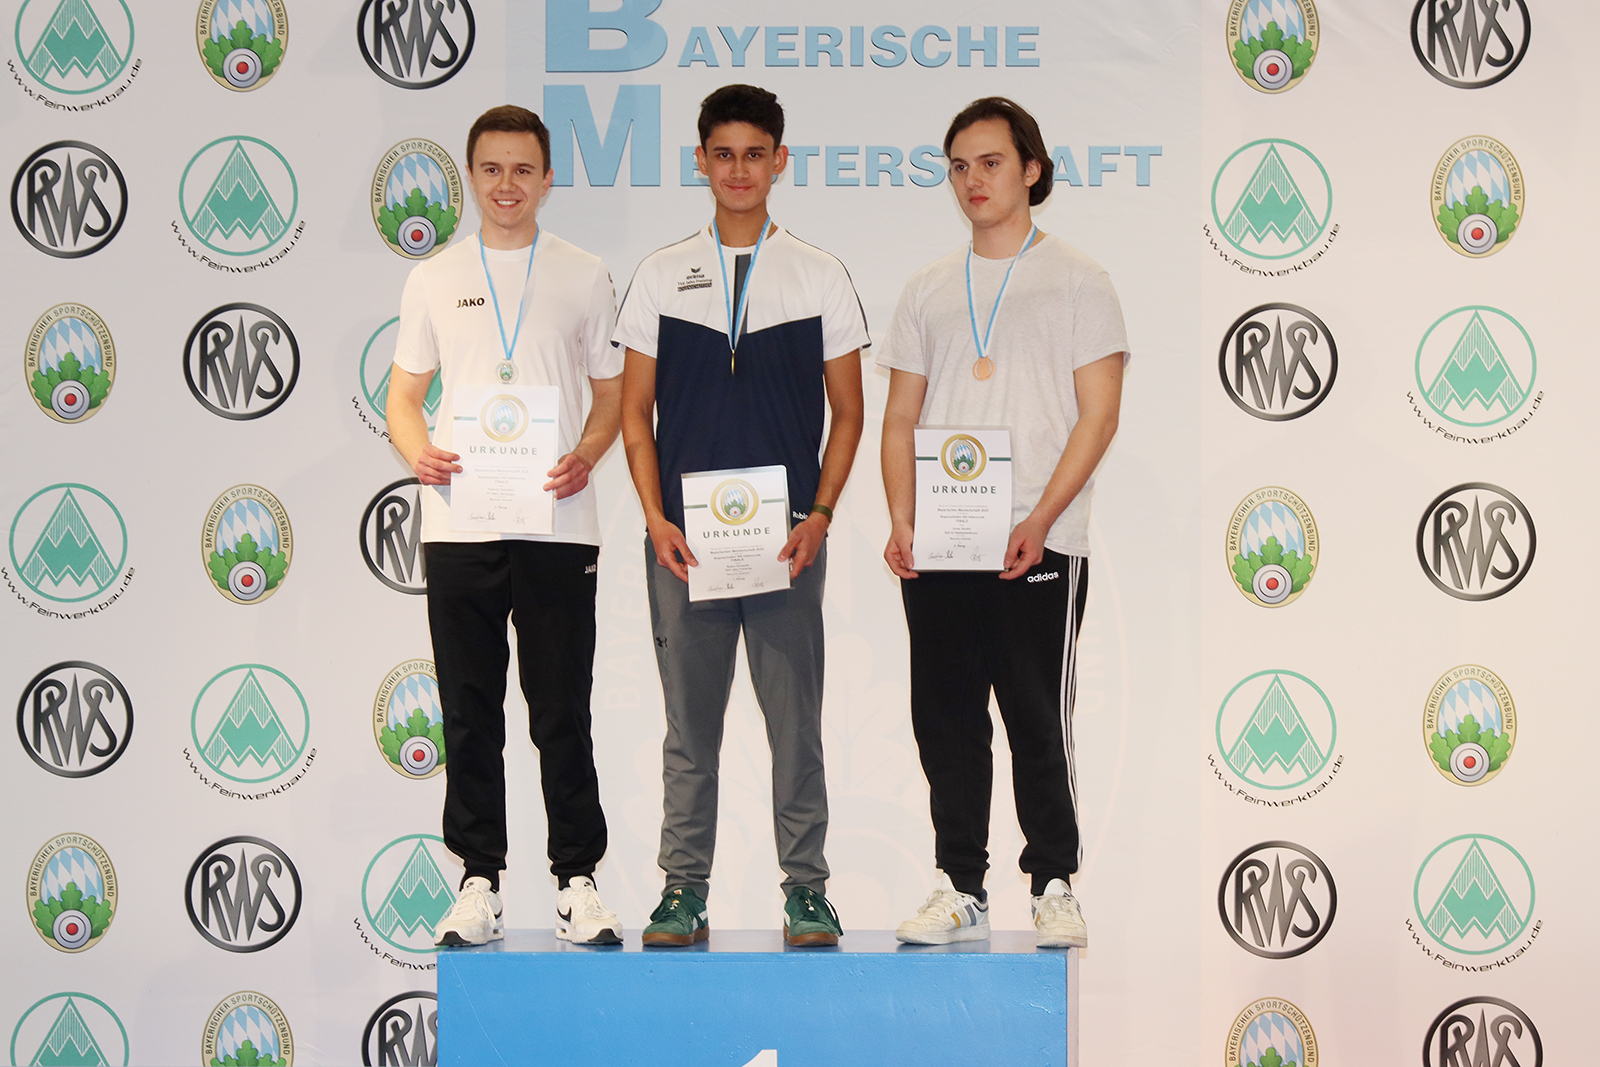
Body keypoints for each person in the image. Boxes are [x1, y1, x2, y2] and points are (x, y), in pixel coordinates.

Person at [613, 84, 868, 948]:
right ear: (701, 161)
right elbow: (634, 412)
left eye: (755, 153)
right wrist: (655, 517)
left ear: (779, 161)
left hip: (787, 542)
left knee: (796, 726)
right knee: (690, 730)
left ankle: (808, 892)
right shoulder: (660, 275)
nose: (738, 169)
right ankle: (682, 892)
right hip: (683, 545)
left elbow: (850, 412)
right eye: (722, 154)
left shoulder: (819, 273)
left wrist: (820, 514)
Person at [878, 97, 1128, 949]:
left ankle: (1053, 882)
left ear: (1031, 169)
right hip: (944, 542)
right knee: (946, 721)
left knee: (1035, 717)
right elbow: (899, 418)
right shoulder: (927, 287)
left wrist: (1043, 516)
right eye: (959, 166)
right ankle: (960, 884)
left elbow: (1099, 415)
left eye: (990, 162)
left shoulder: (1080, 279)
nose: (972, 180)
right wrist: (903, 518)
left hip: (1040, 540)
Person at [386, 105, 625, 947]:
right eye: (491, 169)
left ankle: (577, 879)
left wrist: (587, 453)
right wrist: (418, 451)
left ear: (548, 178)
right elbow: (404, 396)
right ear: (471, 177)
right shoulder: (434, 276)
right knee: (468, 708)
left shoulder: (584, 273)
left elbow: (613, 395)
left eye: (523, 169)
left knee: (562, 709)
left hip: (558, 522)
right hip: (462, 525)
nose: (507, 185)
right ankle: (478, 878)